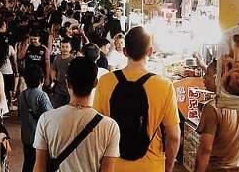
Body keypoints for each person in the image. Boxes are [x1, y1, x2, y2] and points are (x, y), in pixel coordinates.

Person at [93, 26, 181, 172]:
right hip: (151, 166)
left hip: (113, 166)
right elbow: (174, 136)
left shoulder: (105, 81)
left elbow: (97, 129)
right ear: (150, 51)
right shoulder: (164, 86)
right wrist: (169, 165)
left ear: (125, 51)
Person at [33, 57, 120, 172]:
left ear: (67, 83)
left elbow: (39, 167)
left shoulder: (46, 119)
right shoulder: (110, 127)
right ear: (95, 83)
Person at [194, 60, 239, 172]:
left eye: (207, 74)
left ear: (216, 78)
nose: (204, 78)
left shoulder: (212, 108)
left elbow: (205, 150)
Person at [18, 65, 52, 172]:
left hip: (26, 136)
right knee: (40, 163)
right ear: (41, 80)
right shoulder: (42, 95)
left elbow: (20, 114)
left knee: (28, 162)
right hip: (39, 137)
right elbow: (49, 116)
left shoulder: (22, 95)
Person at [50, 38, 74, 108]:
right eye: (63, 46)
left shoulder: (73, 60)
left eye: (67, 47)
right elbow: (53, 69)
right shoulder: (57, 58)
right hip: (58, 89)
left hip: (69, 91)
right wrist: (53, 79)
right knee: (56, 108)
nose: (65, 49)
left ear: (70, 48)